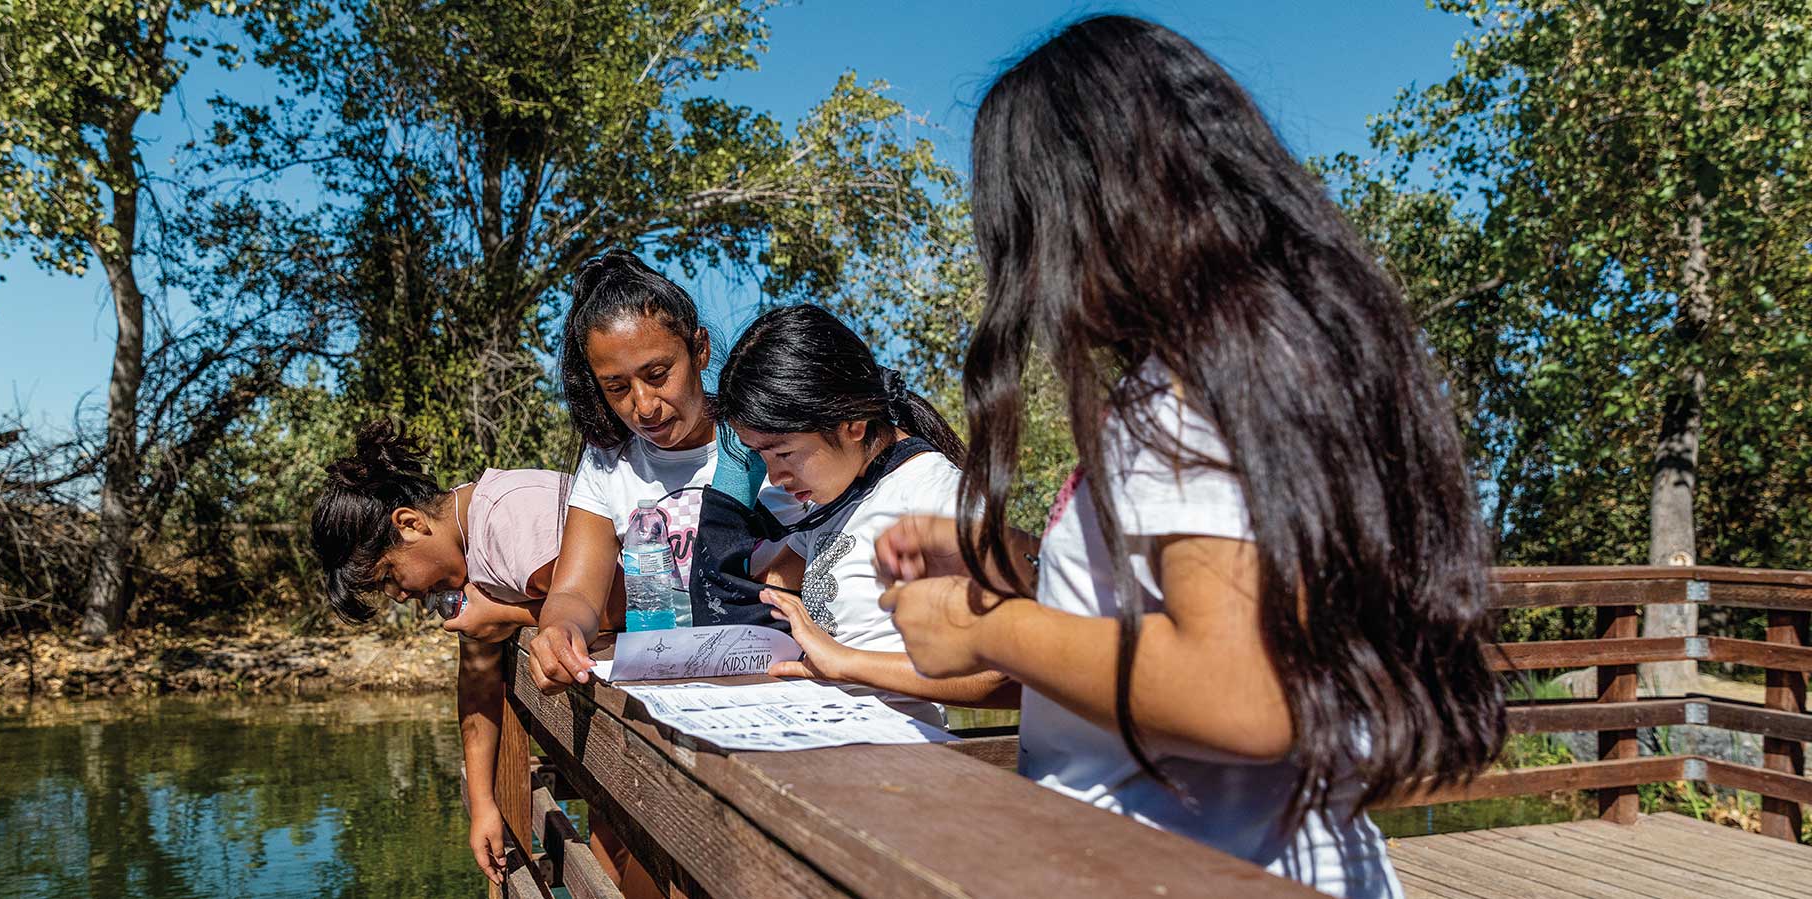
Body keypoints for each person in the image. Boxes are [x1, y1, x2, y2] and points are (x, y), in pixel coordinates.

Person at [873, 16, 1504, 898]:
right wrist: (1008, 561)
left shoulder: (1186, 392)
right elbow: (1189, 595)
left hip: (1181, 863)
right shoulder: (1282, 359)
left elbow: (1240, 689)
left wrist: (986, 629)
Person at [311, 420, 608, 885]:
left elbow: (618, 604)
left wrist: (508, 616)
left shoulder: (506, 520)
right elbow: (477, 678)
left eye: (389, 576)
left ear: (409, 524)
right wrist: (484, 804)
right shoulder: (466, 559)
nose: (400, 596)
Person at [711, 304, 1014, 720]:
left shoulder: (936, 496)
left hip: (894, 761)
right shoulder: (837, 495)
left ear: (852, 422)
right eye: (761, 455)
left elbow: (1003, 674)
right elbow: (765, 576)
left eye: (784, 452)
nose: (775, 476)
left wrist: (846, 663)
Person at [527, 250, 799, 693]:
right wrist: (558, 631)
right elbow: (575, 594)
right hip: (674, 692)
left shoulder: (765, 442)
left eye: (658, 374)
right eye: (617, 387)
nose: (644, 405)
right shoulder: (607, 462)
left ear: (700, 350)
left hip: (780, 681)